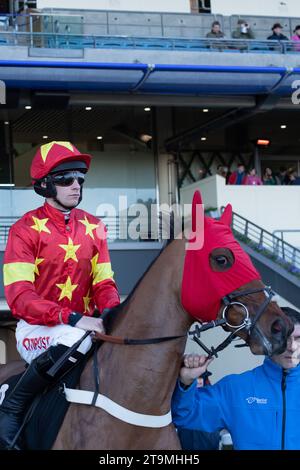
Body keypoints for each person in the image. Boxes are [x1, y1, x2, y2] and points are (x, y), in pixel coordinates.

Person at [0, 141, 120, 449]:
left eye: (80, 178)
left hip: (85, 326)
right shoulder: (23, 230)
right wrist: (73, 318)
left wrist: (114, 312)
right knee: (71, 339)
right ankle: (13, 407)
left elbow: (104, 283)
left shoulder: (95, 227)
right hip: (37, 328)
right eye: (66, 178)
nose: (76, 185)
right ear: (44, 184)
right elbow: (19, 297)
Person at [172, 307, 300, 450]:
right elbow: (183, 415)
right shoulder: (235, 388)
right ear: (267, 340)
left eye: (298, 338)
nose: (293, 347)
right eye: (284, 338)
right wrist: (186, 382)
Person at [176, 370, 222, 450]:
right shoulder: (182, 398)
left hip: (207, 441)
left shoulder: (212, 397)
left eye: (199, 379)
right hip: (187, 439)